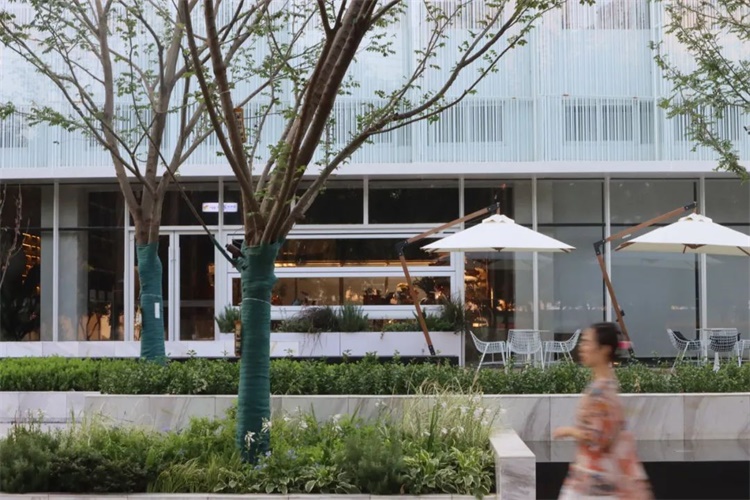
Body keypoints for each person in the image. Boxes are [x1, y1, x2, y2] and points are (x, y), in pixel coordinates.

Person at [553, 322, 653, 499]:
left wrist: (568, 431)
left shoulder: (602, 391)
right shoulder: (606, 384)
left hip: (594, 483)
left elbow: (597, 437)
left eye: (587, 342)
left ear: (604, 350)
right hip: (592, 480)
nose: (582, 347)